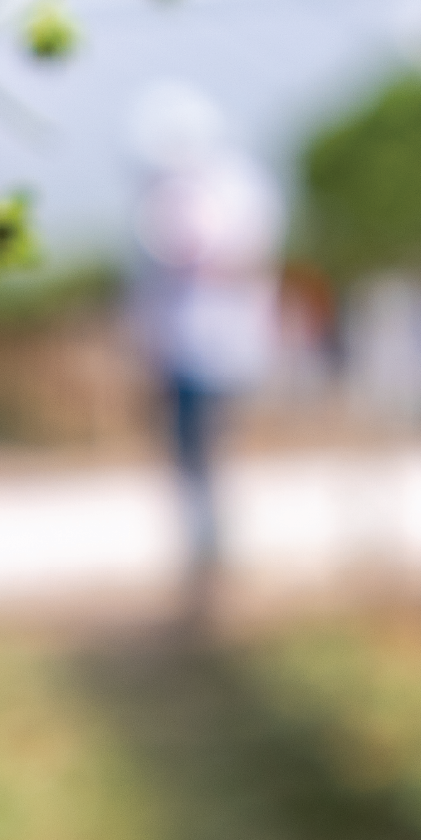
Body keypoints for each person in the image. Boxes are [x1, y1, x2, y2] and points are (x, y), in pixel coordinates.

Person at [128, 103, 285, 599]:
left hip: (217, 344)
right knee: (195, 456)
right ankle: (206, 557)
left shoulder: (232, 189)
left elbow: (236, 255)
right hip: (185, 347)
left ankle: (214, 558)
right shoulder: (170, 195)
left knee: (208, 453)